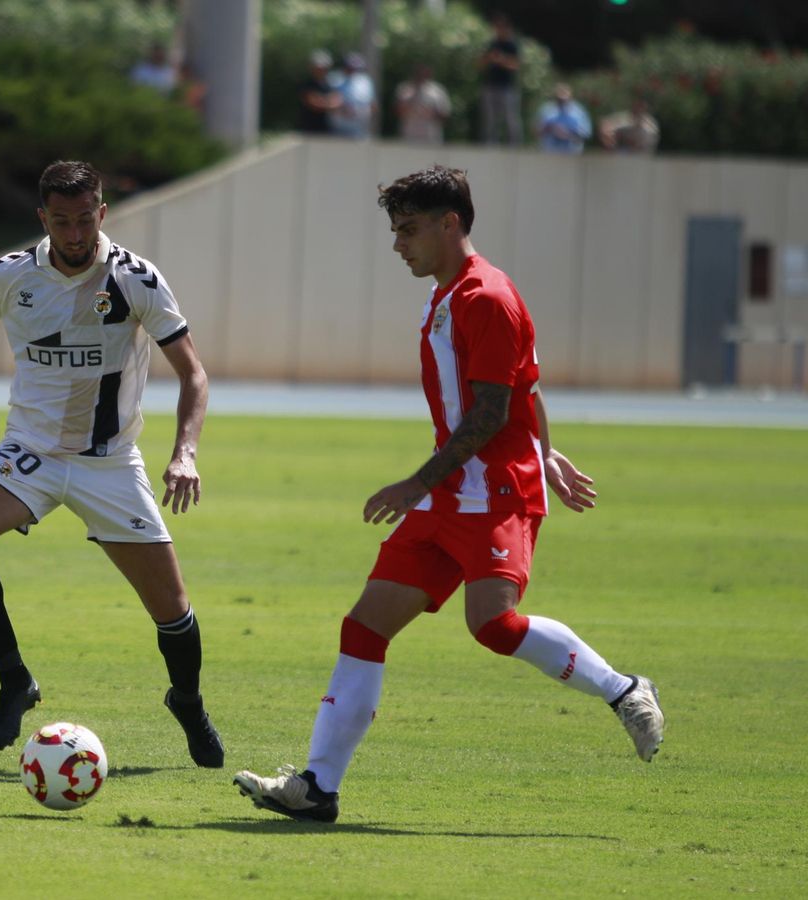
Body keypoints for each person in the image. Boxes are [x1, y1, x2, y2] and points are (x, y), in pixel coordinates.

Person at [233, 166, 664, 823]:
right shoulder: (450, 293)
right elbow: (529, 386)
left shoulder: (485, 296)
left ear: (450, 223)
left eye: (409, 230)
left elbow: (492, 411)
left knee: (493, 625)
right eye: (394, 231)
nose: (399, 244)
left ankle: (624, 689)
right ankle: (317, 787)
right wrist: (544, 450)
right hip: (450, 495)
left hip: (492, 492)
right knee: (365, 626)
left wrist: (421, 482)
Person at [0, 160, 224, 766]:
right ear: (43, 219)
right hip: (31, 451)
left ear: (103, 213)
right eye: (62, 221)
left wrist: (186, 453)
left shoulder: (136, 280)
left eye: (85, 220)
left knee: (173, 613)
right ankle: (15, 678)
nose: (75, 234)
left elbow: (193, 373)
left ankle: (188, 700)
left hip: (111, 463)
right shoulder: (10, 276)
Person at [479, 15, 522, 145]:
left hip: (507, 87)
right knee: (490, 118)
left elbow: (516, 65)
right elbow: (480, 64)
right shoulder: (492, 44)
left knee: (510, 118)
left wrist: (501, 60)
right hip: (491, 85)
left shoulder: (512, 45)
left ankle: (514, 144)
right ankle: (491, 143)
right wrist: (489, 58)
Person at [395, 64, 452, 145]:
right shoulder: (405, 90)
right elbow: (398, 112)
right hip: (409, 137)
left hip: (431, 137)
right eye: (418, 74)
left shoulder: (437, 91)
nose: (421, 76)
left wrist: (430, 113)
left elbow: (445, 115)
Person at [327, 53, 376, 139]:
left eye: (355, 68)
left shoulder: (365, 82)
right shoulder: (334, 79)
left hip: (359, 127)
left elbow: (372, 104)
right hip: (338, 127)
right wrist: (342, 107)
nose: (352, 70)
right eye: (350, 67)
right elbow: (330, 99)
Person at [535, 83, 593, 154]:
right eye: (559, 98)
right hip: (550, 153)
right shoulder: (546, 110)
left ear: (570, 96)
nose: (562, 100)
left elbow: (587, 133)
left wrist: (568, 134)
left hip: (572, 154)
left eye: (565, 96)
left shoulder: (579, 111)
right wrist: (550, 128)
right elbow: (537, 131)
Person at [297, 50, 340, 135]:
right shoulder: (307, 84)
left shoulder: (330, 85)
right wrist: (328, 102)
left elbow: (337, 102)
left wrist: (322, 101)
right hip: (309, 129)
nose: (321, 70)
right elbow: (314, 104)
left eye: (323, 68)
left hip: (328, 128)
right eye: (318, 68)